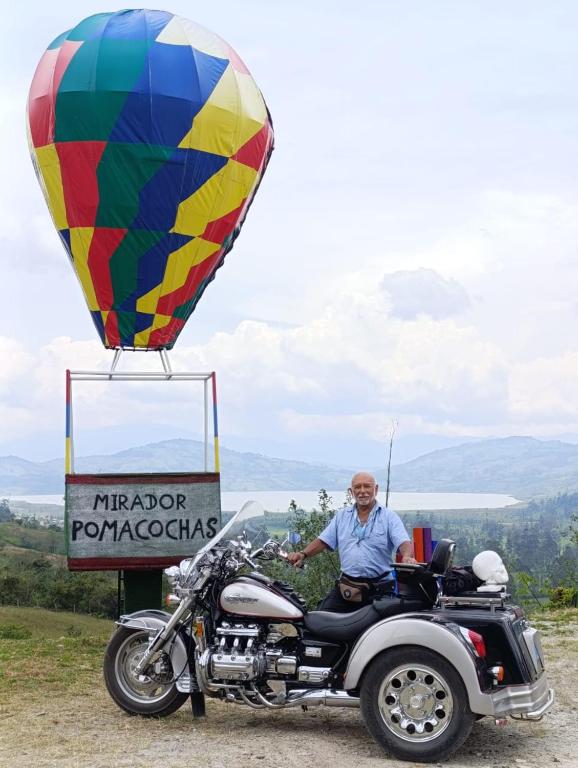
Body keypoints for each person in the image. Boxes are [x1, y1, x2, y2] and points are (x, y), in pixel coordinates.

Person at [287, 471, 417, 612]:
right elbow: (323, 541)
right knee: (319, 622)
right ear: (351, 491)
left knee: (378, 631)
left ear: (376, 489)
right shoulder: (342, 516)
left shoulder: (389, 517)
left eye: (367, 486)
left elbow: (403, 542)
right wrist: (303, 554)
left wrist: (407, 557)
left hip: (379, 590)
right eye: (357, 487)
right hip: (347, 587)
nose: (362, 491)